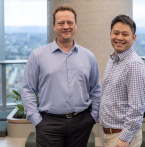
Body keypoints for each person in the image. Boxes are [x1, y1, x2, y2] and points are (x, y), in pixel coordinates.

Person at [22, 5, 101, 147]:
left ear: (76, 25)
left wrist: (93, 116)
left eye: (70, 23)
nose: (66, 26)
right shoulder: (38, 56)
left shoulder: (88, 56)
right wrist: (36, 120)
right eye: (61, 23)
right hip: (48, 124)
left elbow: (95, 89)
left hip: (81, 123)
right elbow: (28, 89)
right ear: (54, 26)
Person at [99, 15, 145, 147]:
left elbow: (137, 108)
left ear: (133, 38)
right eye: (116, 33)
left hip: (122, 137)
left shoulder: (134, 65)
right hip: (109, 134)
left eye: (125, 34)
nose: (119, 37)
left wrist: (124, 139)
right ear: (110, 34)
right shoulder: (113, 59)